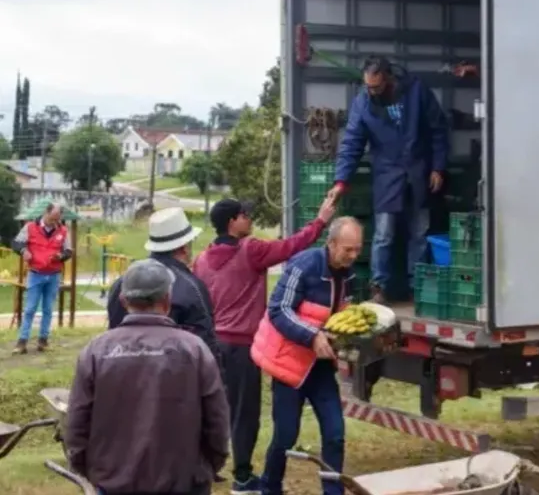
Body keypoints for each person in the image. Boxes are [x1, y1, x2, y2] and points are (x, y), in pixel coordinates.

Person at [192, 197, 336, 494]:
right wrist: (320, 221)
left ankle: (206, 466)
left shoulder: (202, 259)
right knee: (245, 413)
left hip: (211, 344)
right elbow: (291, 246)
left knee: (216, 407)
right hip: (243, 346)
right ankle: (243, 477)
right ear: (233, 222)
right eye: (245, 215)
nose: (250, 219)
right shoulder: (251, 250)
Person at [63, 259, 230, 495]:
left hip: (114, 484)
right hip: (183, 482)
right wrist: (207, 467)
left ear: (123, 300)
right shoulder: (195, 350)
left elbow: (77, 423)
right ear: (167, 300)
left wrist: (92, 472)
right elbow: (217, 422)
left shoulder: (96, 351)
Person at [252, 217, 363, 495]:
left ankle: (332, 492)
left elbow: (343, 314)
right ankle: (270, 487)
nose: (353, 256)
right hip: (288, 365)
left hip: (321, 367)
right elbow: (279, 309)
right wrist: (312, 336)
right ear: (331, 243)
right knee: (286, 436)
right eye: (348, 249)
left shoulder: (349, 275)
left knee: (335, 434)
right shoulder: (303, 265)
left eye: (357, 250)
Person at [328, 55, 449, 304]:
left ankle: (418, 289)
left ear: (389, 78)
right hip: (387, 174)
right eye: (367, 87)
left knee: (419, 232)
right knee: (384, 235)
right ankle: (379, 288)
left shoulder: (416, 91)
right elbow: (352, 143)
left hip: (418, 171)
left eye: (376, 87)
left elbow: (438, 129)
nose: (371, 92)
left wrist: (438, 167)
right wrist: (341, 181)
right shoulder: (363, 103)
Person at [107, 207, 221, 366]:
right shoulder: (192, 287)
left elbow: (112, 335)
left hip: (124, 375)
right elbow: (205, 346)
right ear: (184, 247)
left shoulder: (122, 282)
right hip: (173, 378)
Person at [11, 201, 73, 354]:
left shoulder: (63, 231)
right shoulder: (30, 227)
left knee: (47, 309)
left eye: (57, 218)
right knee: (30, 308)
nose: (54, 221)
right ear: (46, 213)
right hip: (36, 274)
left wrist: (61, 256)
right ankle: (22, 342)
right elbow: (16, 243)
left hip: (53, 275)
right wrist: (23, 251)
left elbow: (69, 251)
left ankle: (43, 341)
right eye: (52, 218)